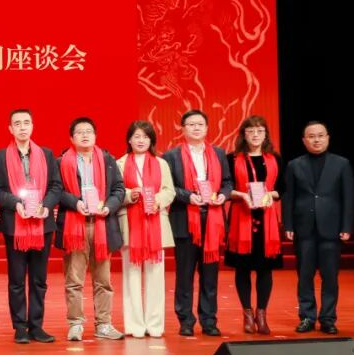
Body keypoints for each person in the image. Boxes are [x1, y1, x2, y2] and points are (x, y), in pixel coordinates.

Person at [0, 109, 63, 344]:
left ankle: (36, 326)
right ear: (10, 129)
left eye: (26, 123)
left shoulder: (47, 155)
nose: (22, 127)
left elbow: (56, 186)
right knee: (17, 279)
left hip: (42, 224)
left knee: (39, 279)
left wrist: (46, 206)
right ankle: (20, 326)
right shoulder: (0, 157)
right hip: (15, 224)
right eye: (17, 124)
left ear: (32, 126)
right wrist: (16, 204)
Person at [163, 110, 232, 337]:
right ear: (182, 129)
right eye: (191, 124)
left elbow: (227, 182)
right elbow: (169, 187)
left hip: (212, 219)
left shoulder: (219, 153)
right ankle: (186, 320)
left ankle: (209, 320)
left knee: (210, 275)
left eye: (200, 124)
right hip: (185, 218)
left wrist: (223, 195)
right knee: (185, 275)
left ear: (206, 128)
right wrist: (188, 196)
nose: (196, 128)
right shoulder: (171, 156)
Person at [56, 117, 126, 341]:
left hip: (102, 225)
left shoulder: (107, 160)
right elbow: (56, 190)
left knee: (103, 280)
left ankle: (103, 324)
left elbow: (119, 189)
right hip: (74, 225)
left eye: (89, 131)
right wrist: (75, 202)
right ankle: (75, 324)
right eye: (80, 132)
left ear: (95, 136)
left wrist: (108, 206)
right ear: (71, 138)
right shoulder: (62, 162)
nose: (85, 135)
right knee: (74, 280)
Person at [282, 121, 354, 335]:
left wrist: (346, 225)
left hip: (331, 228)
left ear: (328, 138)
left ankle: (328, 318)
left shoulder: (341, 164)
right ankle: (307, 317)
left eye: (320, 135)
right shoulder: (294, 165)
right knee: (305, 276)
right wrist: (288, 224)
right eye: (311, 136)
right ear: (304, 141)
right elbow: (289, 197)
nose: (316, 140)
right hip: (304, 228)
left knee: (330, 276)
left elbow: (349, 197)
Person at [116, 121, 175, 338]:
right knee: (131, 275)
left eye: (145, 137)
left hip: (155, 222)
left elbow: (169, 190)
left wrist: (157, 200)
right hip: (130, 223)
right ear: (129, 140)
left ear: (151, 140)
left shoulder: (161, 163)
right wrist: (129, 194)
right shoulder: (120, 163)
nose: (141, 141)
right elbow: (116, 192)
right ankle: (134, 325)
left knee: (155, 274)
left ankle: (155, 324)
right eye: (137, 136)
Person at [225, 115, 283, 335]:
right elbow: (226, 188)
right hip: (242, 217)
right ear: (244, 135)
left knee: (265, 270)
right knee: (243, 268)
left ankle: (262, 314)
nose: (255, 135)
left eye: (260, 131)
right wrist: (242, 195)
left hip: (267, 219)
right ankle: (247, 315)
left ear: (266, 134)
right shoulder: (232, 159)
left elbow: (282, 188)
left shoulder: (275, 158)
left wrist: (270, 194)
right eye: (250, 131)